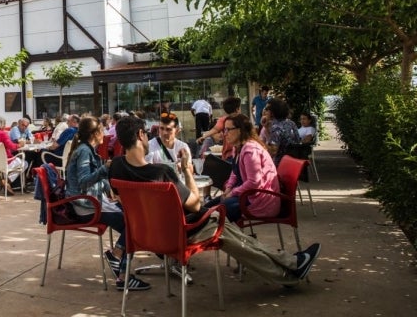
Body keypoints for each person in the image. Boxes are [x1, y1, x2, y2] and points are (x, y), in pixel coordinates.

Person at [108, 115, 321, 287]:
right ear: (140, 135)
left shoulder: (116, 167)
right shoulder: (161, 172)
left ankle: (290, 263)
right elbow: (195, 205)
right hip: (181, 232)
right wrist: (189, 170)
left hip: (146, 235)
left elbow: (120, 200)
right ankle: (290, 269)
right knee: (226, 229)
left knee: (227, 225)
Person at [64, 115, 151, 291]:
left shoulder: (85, 149)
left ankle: (119, 261)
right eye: (102, 130)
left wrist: (110, 190)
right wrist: (105, 169)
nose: (105, 132)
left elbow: (92, 180)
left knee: (133, 217)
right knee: (133, 222)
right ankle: (122, 273)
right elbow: (83, 181)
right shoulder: (84, 151)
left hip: (90, 202)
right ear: (95, 133)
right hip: (85, 206)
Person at [204, 114, 280, 222]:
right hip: (247, 195)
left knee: (216, 213)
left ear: (240, 130)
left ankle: (217, 237)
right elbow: (235, 172)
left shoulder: (250, 150)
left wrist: (232, 193)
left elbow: (254, 182)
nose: (225, 134)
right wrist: (229, 187)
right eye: (224, 129)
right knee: (205, 208)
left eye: (228, 130)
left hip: (260, 201)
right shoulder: (238, 147)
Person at [195, 96, 242, 161]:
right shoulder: (243, 120)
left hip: (229, 153)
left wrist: (204, 136)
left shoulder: (223, 120)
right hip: (239, 152)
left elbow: (215, 129)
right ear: (237, 109)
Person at [263, 98, 300, 166]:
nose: (265, 112)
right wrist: (266, 128)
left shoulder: (276, 127)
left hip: (280, 165)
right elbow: (297, 141)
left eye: (267, 109)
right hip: (294, 163)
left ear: (273, 112)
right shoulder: (291, 123)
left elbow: (272, 152)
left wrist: (258, 143)